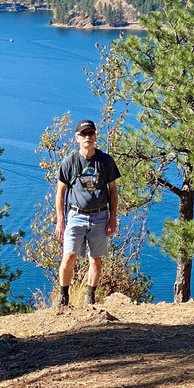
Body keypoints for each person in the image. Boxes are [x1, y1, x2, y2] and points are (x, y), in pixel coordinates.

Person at [55, 119, 120, 308]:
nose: (87, 137)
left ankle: (89, 297)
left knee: (96, 259)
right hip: (75, 215)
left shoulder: (105, 161)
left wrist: (112, 218)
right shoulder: (70, 162)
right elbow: (60, 193)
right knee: (69, 256)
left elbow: (113, 191)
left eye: (91, 133)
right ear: (76, 137)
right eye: (83, 134)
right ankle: (63, 297)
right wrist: (60, 222)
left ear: (95, 136)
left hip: (100, 216)